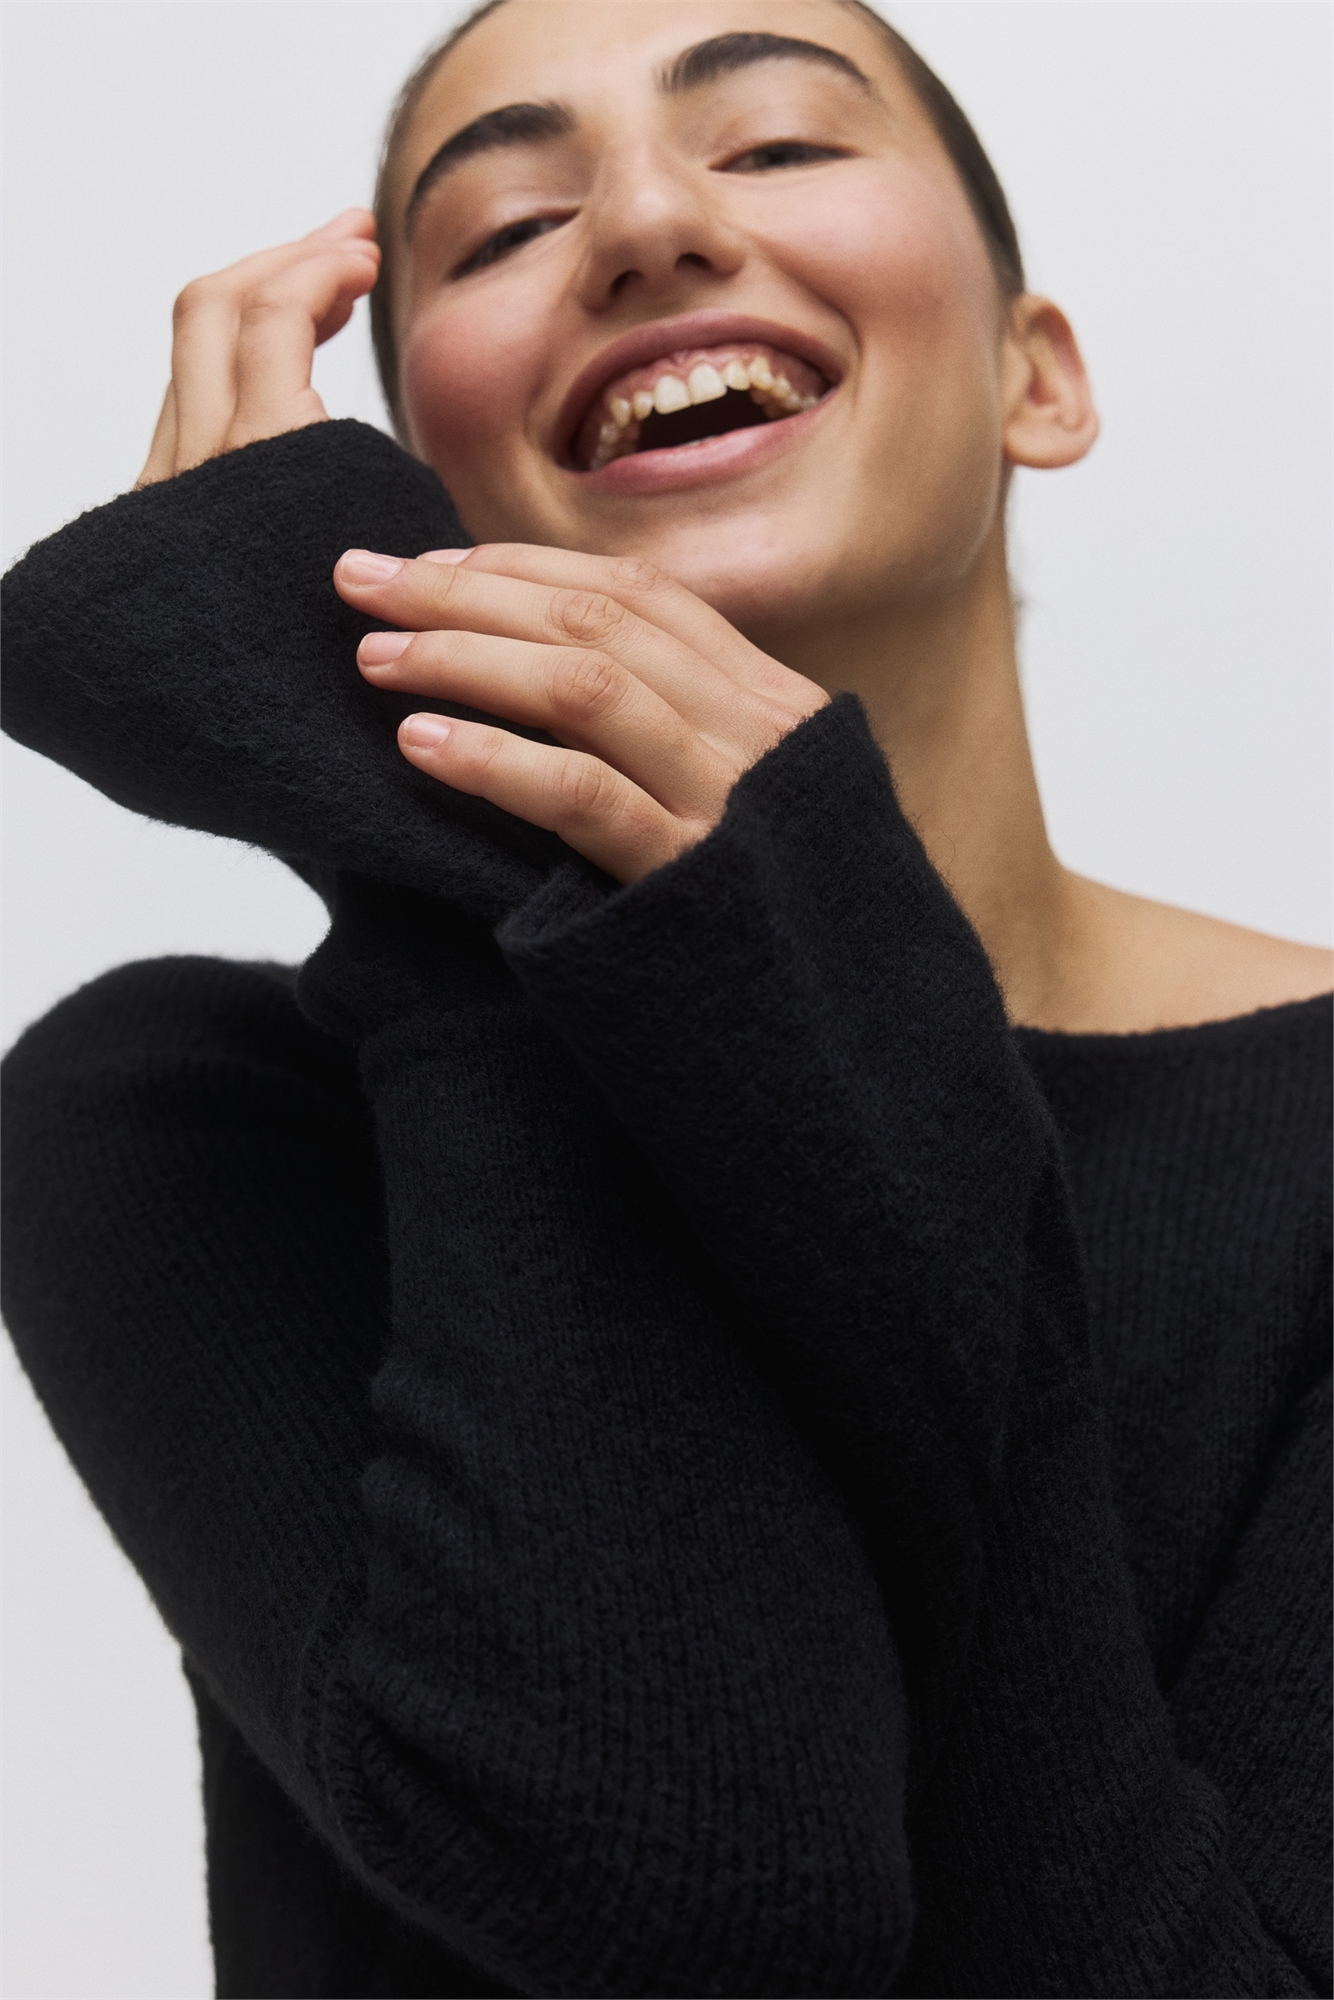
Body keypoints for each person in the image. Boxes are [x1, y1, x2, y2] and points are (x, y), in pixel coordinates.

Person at [2, 1, 1329, 1993]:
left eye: (779, 143)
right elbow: (687, 1874)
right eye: (504, 228)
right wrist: (463, 878)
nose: (641, 224)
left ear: (1033, 377)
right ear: (409, 488)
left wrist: (838, 976)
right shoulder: (184, 1117)